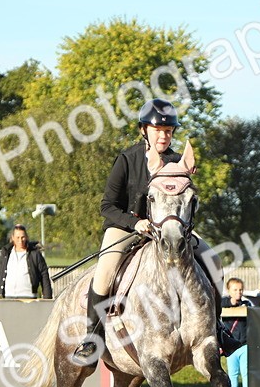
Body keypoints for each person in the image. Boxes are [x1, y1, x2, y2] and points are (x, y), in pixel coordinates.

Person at [72, 98, 224, 364]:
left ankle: (218, 327)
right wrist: (135, 223)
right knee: (105, 271)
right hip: (127, 228)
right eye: (158, 130)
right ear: (144, 130)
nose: (164, 135)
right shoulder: (127, 159)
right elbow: (107, 206)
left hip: (168, 232)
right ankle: (91, 339)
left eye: (168, 131)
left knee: (213, 258)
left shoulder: (177, 161)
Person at [0, 224, 52, 299]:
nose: (20, 240)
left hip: (29, 298)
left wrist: (47, 298)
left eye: (22, 237)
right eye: (17, 237)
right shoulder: (6, 254)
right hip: (9, 298)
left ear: (26, 237)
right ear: (13, 238)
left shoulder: (35, 254)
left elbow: (44, 276)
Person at [220, 277, 256, 387]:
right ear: (229, 291)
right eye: (235, 290)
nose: (238, 293)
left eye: (240, 290)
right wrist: (232, 303)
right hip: (231, 346)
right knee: (233, 373)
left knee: (246, 372)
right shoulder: (224, 303)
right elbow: (223, 303)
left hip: (244, 344)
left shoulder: (247, 304)